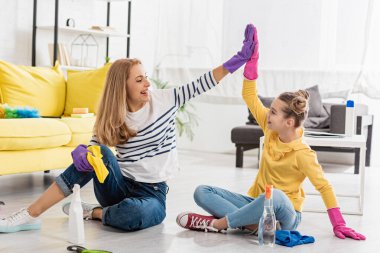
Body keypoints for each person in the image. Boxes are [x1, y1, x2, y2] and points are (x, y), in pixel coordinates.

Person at [0, 24, 257, 233]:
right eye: (139, 79)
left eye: (145, 76)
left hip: (152, 194)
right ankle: (29, 214)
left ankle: (97, 213)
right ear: (122, 87)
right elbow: (95, 148)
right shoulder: (113, 114)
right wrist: (87, 152)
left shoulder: (165, 100)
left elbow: (204, 82)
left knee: (136, 214)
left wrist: (238, 59)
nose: (147, 83)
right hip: (118, 186)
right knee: (98, 154)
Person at [176, 25, 366, 241]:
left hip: (286, 214)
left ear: (289, 122)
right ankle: (253, 225)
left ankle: (220, 224)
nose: (268, 115)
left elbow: (324, 186)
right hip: (256, 205)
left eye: (273, 112)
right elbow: (250, 96)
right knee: (202, 191)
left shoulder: (303, 153)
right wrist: (252, 60)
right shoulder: (270, 128)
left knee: (274, 195)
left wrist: (338, 223)